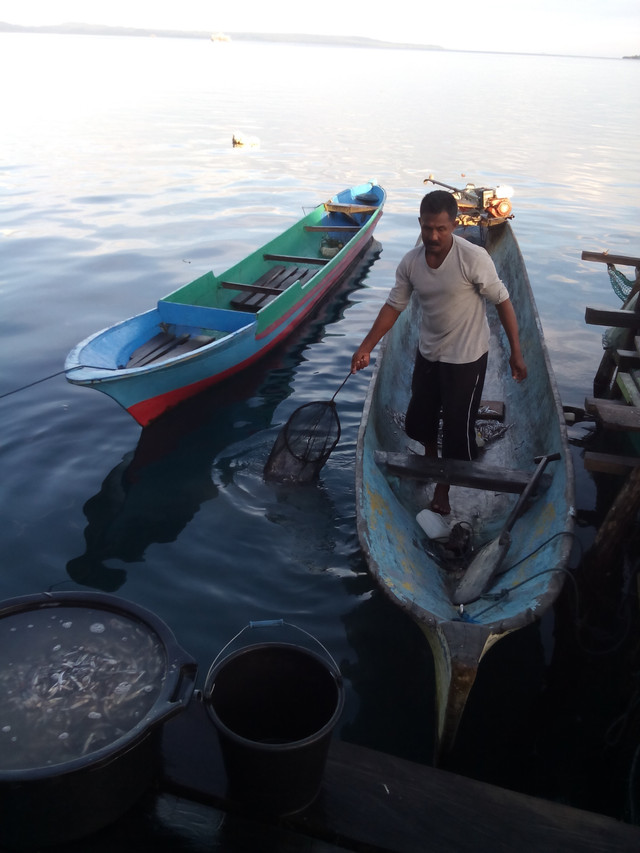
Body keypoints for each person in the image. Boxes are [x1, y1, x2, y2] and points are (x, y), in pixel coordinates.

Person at [351, 190, 527, 516]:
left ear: (455, 225)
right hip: (429, 352)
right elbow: (394, 306)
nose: (433, 236)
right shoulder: (411, 263)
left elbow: (502, 301)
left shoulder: (473, 258)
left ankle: (443, 487)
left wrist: (516, 352)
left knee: (458, 429)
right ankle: (432, 462)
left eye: (441, 229)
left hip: (467, 356)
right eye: (428, 228)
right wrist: (366, 347)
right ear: (420, 223)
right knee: (421, 420)